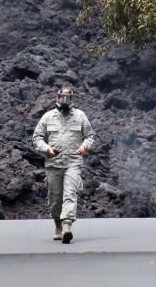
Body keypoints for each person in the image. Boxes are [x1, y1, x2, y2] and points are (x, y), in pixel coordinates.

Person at [32, 85, 95, 243]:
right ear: (57, 98)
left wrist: (83, 147)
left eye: (68, 97)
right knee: (55, 199)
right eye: (62, 97)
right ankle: (58, 225)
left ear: (72, 98)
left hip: (73, 162)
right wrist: (47, 149)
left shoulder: (80, 116)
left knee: (70, 194)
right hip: (54, 164)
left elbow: (90, 136)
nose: (64, 100)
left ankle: (67, 225)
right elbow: (37, 137)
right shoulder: (48, 117)